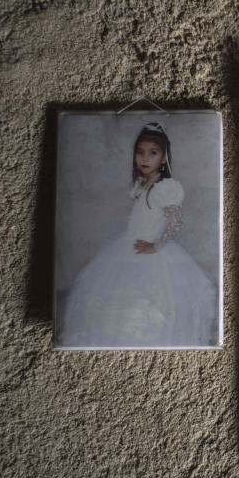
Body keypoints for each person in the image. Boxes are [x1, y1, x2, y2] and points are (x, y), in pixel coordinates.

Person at [61, 122, 217, 346]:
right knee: (117, 298)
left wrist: (156, 246)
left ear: (163, 158)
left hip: (150, 251)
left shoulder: (164, 188)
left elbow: (175, 221)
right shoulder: (143, 184)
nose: (145, 159)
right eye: (140, 152)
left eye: (152, 153)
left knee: (150, 301)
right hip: (128, 245)